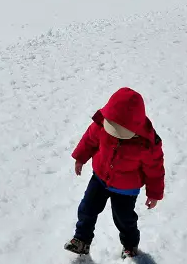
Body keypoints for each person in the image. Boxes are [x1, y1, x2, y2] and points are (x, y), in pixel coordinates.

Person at [65, 88, 165, 260]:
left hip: (126, 188)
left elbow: (155, 169)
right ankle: (81, 239)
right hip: (100, 178)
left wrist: (154, 193)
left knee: (124, 219)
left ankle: (130, 246)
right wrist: (80, 158)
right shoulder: (102, 125)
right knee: (87, 208)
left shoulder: (147, 143)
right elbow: (89, 140)